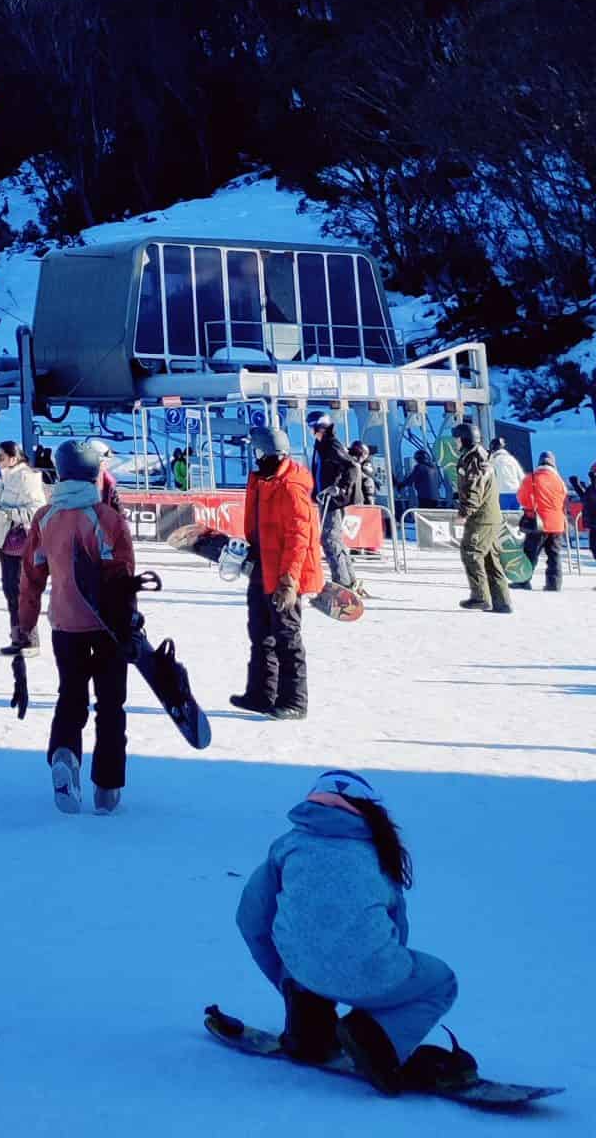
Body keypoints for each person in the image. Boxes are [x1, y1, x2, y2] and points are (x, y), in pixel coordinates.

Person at [235, 768, 472, 1095]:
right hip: (371, 969)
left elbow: (251, 918)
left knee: (307, 939)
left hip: (302, 971)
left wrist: (285, 977)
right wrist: (377, 989)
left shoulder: (288, 846)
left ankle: (309, 1028)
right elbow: (396, 928)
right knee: (441, 982)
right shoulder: (377, 854)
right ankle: (376, 1037)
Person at [14, 434, 134, 814]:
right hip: (107, 629)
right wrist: (129, 620)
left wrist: (24, 624)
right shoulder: (106, 519)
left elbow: (31, 576)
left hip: (64, 627)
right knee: (111, 705)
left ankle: (65, 754)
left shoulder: (45, 518)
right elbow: (123, 575)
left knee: (71, 698)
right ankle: (107, 787)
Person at [229, 424, 324, 719]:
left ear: (266, 453)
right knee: (259, 632)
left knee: (287, 636)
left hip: (284, 574)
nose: (253, 457)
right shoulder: (263, 480)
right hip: (262, 566)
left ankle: (294, 700)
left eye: (256, 451)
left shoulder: (291, 489)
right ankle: (261, 693)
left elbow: (299, 539)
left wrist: (289, 580)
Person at [0, 438, 47, 652]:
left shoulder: (27, 478)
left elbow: (38, 509)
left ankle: (30, 638)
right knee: (10, 590)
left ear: (13, 458)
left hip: (22, 542)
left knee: (23, 591)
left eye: (1, 457)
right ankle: (17, 637)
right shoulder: (5, 478)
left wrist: (11, 514)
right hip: (7, 542)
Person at [454, 422, 511, 613]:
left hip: (482, 517)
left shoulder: (474, 459)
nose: (455, 442)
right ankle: (502, 602)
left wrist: (464, 512)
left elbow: (474, 488)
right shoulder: (480, 455)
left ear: (464, 439)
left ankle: (480, 597)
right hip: (490, 515)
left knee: (471, 552)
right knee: (490, 559)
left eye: (457, 438)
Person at [311, 417, 360, 592]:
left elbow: (352, 467)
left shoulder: (331, 444)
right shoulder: (322, 446)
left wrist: (340, 488)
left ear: (321, 428)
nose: (311, 431)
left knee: (330, 540)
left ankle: (342, 583)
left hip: (333, 500)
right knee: (334, 540)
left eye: (313, 427)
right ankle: (349, 580)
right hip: (325, 498)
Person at [515, 449, 568, 593]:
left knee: (530, 554)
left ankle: (523, 581)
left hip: (538, 523)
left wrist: (531, 508)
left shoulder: (531, 478)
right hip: (557, 524)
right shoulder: (560, 481)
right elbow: (564, 500)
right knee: (554, 555)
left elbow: (521, 498)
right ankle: (554, 584)